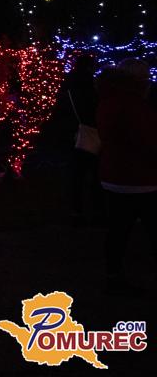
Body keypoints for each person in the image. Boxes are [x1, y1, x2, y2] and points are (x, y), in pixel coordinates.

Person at [95, 59, 157, 294]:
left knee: (118, 229)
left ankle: (113, 274)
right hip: (140, 178)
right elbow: (146, 141)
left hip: (114, 173)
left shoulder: (107, 101)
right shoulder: (135, 106)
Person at [63, 53, 100, 226]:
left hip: (73, 132)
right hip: (89, 132)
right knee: (95, 173)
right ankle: (97, 211)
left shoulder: (69, 84)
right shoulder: (90, 85)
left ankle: (76, 211)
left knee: (76, 175)